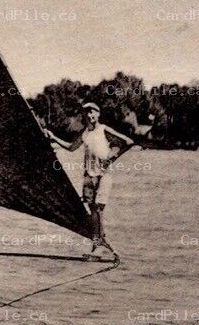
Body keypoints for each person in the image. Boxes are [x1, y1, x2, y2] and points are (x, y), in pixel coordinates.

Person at [47, 102, 134, 253]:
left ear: (98, 114)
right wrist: (54, 137)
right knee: (92, 209)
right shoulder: (85, 133)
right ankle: (97, 244)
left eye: (93, 112)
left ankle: (102, 242)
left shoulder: (103, 129)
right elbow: (71, 147)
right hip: (88, 176)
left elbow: (128, 142)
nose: (90, 115)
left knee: (99, 208)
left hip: (103, 175)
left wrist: (112, 158)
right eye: (87, 112)